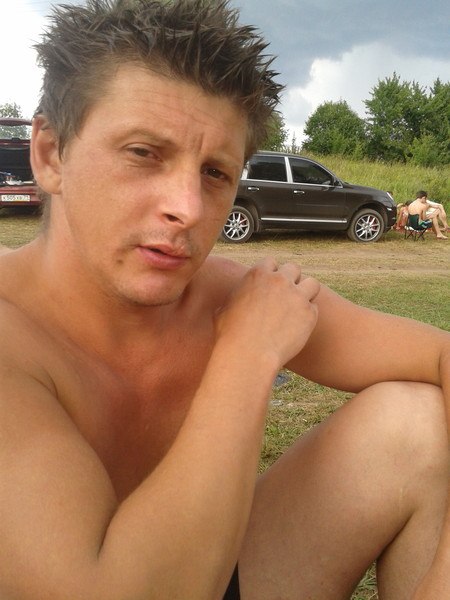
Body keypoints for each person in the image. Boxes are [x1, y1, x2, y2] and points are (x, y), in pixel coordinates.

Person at [0, 2, 449, 599]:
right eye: (143, 153)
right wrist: (246, 355)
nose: (187, 208)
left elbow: (441, 354)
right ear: (51, 154)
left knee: (416, 421)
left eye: (215, 173)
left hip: (217, 564)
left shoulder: (230, 294)